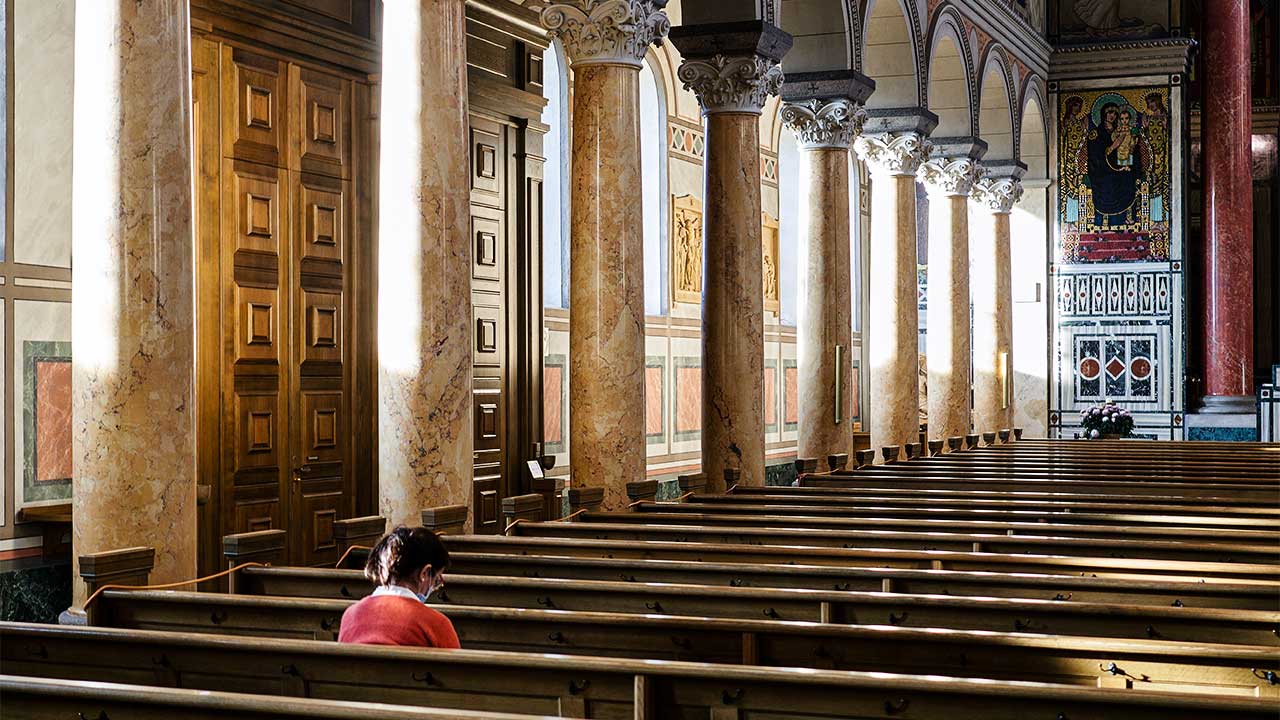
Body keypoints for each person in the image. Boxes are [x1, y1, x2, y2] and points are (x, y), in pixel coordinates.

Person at [337, 526, 461, 648]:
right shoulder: (436, 624)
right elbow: (456, 668)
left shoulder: (350, 616)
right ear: (424, 573)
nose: (435, 587)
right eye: (436, 579)